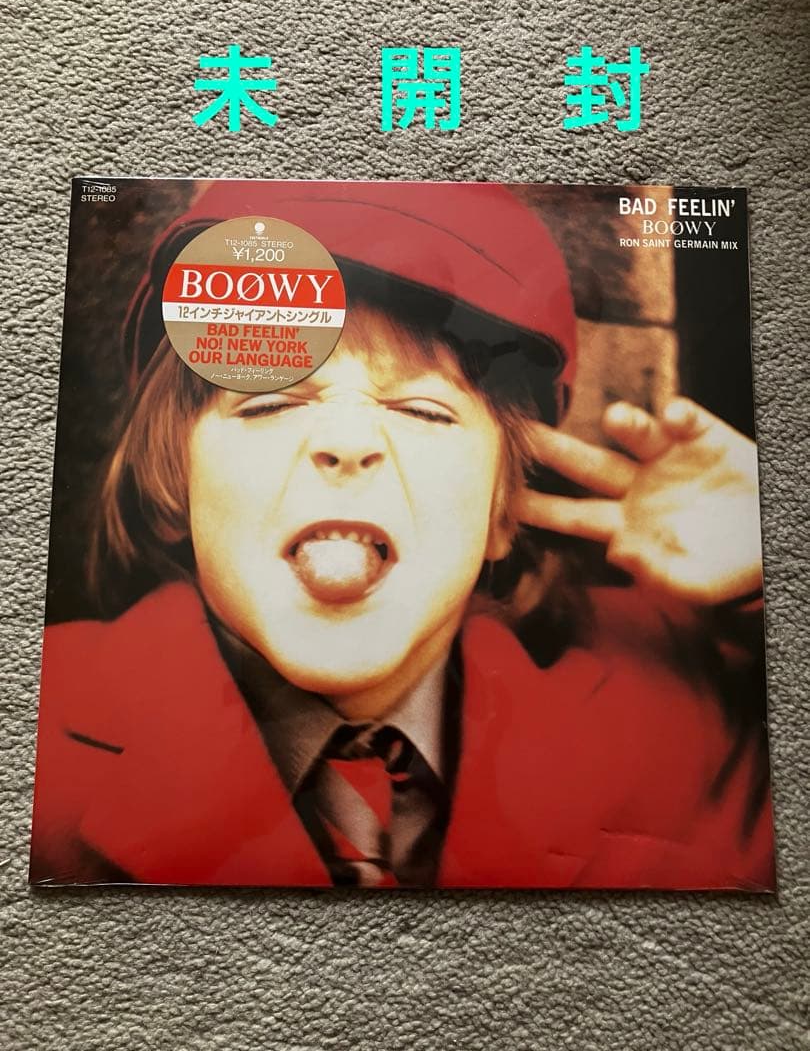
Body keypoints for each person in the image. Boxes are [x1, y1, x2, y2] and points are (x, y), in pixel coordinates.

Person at [29, 181, 775, 889]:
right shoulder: (36, 721)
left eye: (423, 412)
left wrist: (772, 566)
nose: (348, 442)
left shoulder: (680, 717)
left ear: (502, 511)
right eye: (267, 404)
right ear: (173, 486)